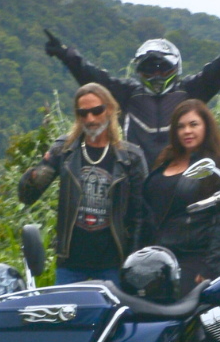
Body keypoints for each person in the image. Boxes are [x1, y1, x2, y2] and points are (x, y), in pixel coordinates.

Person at [42, 18, 220, 168]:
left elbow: (218, 71)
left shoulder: (189, 91)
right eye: (149, 69)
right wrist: (65, 54)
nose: (156, 75)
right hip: (136, 181)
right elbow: (92, 77)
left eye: (163, 68)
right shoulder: (128, 94)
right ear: (139, 71)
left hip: (181, 178)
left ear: (176, 68)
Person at [18, 83, 148, 285]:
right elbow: (27, 196)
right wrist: (34, 176)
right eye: (83, 113)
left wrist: (134, 260)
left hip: (113, 264)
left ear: (110, 110)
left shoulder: (130, 158)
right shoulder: (65, 152)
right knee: (67, 316)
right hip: (71, 263)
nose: (91, 118)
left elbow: (141, 215)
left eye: (97, 111)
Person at [140, 99, 220, 295]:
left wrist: (210, 266)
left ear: (206, 127)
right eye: (181, 126)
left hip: (194, 261)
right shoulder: (165, 162)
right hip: (157, 261)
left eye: (193, 124)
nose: (187, 131)